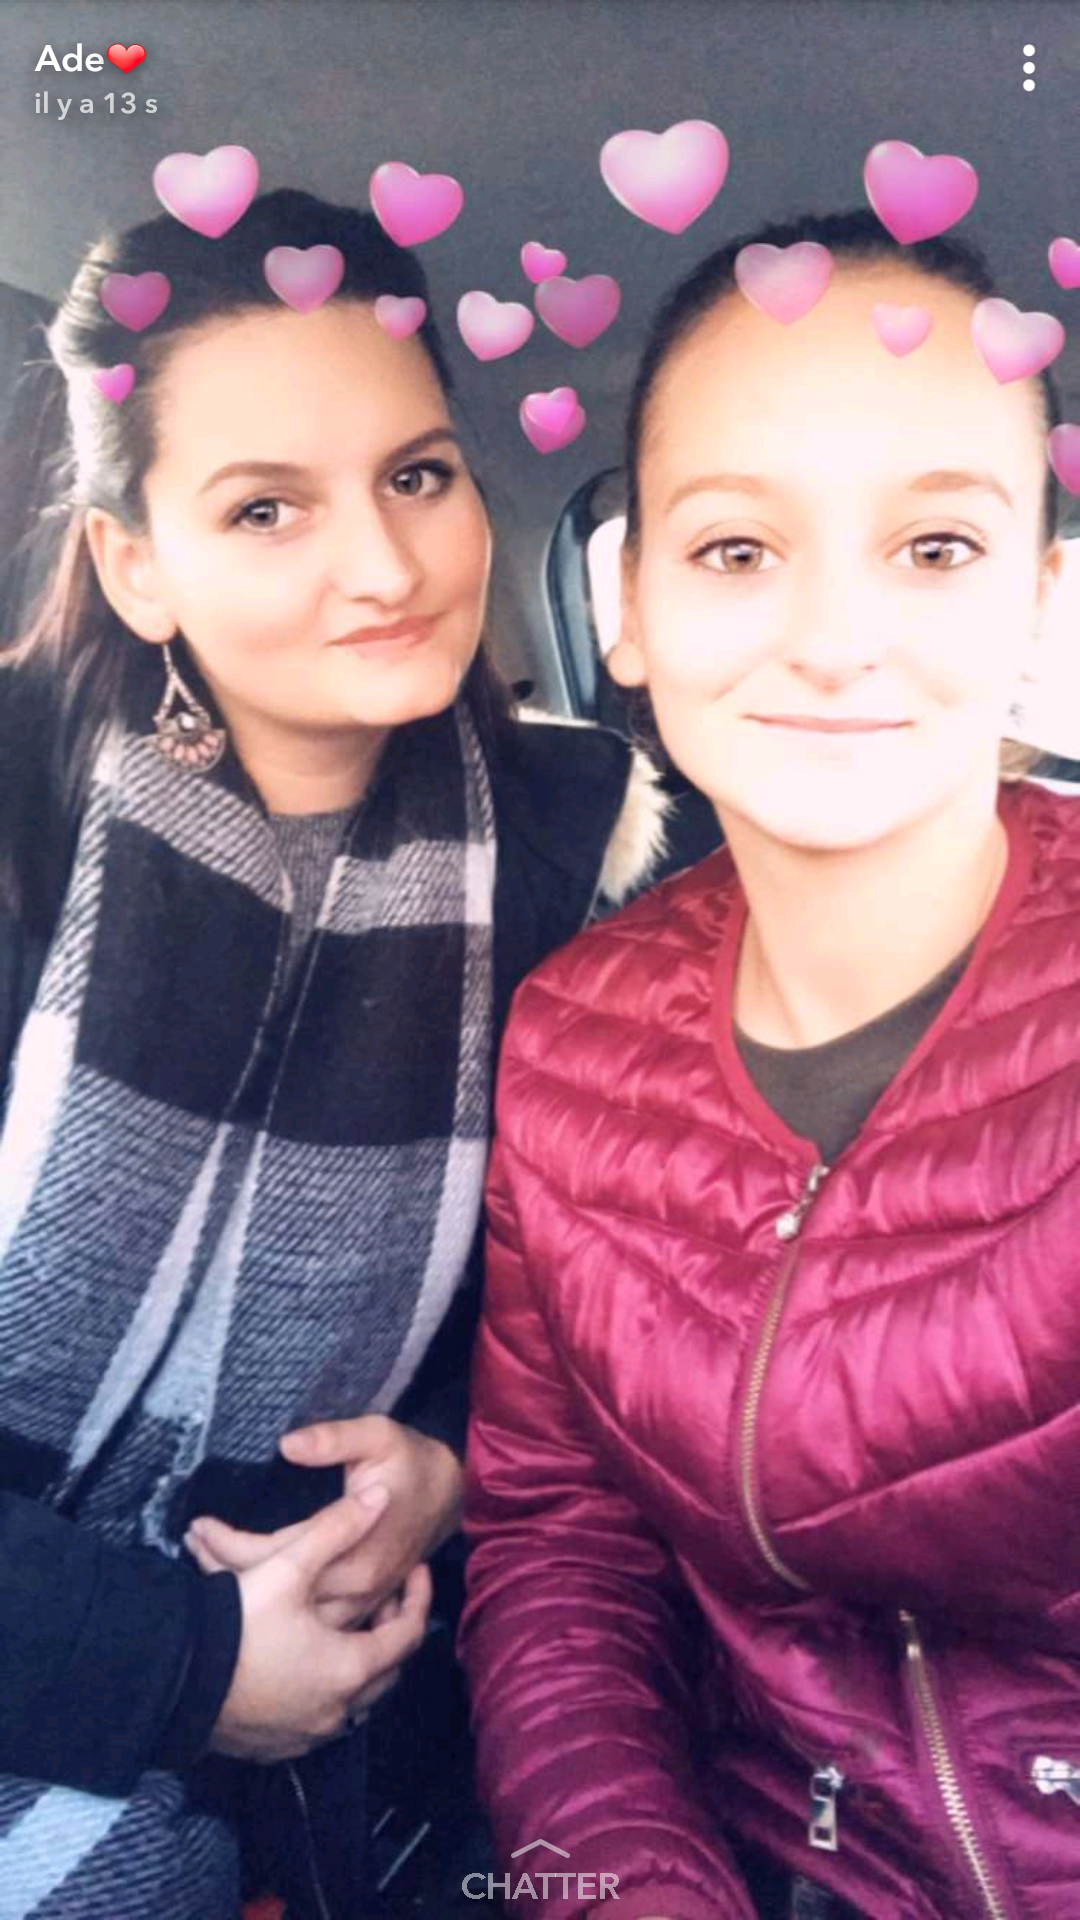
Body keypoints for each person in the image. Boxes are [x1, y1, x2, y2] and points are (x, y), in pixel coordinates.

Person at [0, 185, 674, 1920]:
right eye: (266, 508)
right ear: (135, 564)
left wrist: (446, 1466)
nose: (383, 566)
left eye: (418, 476)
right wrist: (182, 1661)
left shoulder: (577, 865)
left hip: (361, 1736)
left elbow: (581, 1320)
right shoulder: (21, 834)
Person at [458, 206, 1079, 1920]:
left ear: (1037, 605)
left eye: (935, 548)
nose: (832, 637)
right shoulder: (568, 1041)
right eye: (737, 549)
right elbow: (561, 1550)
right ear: (630, 607)